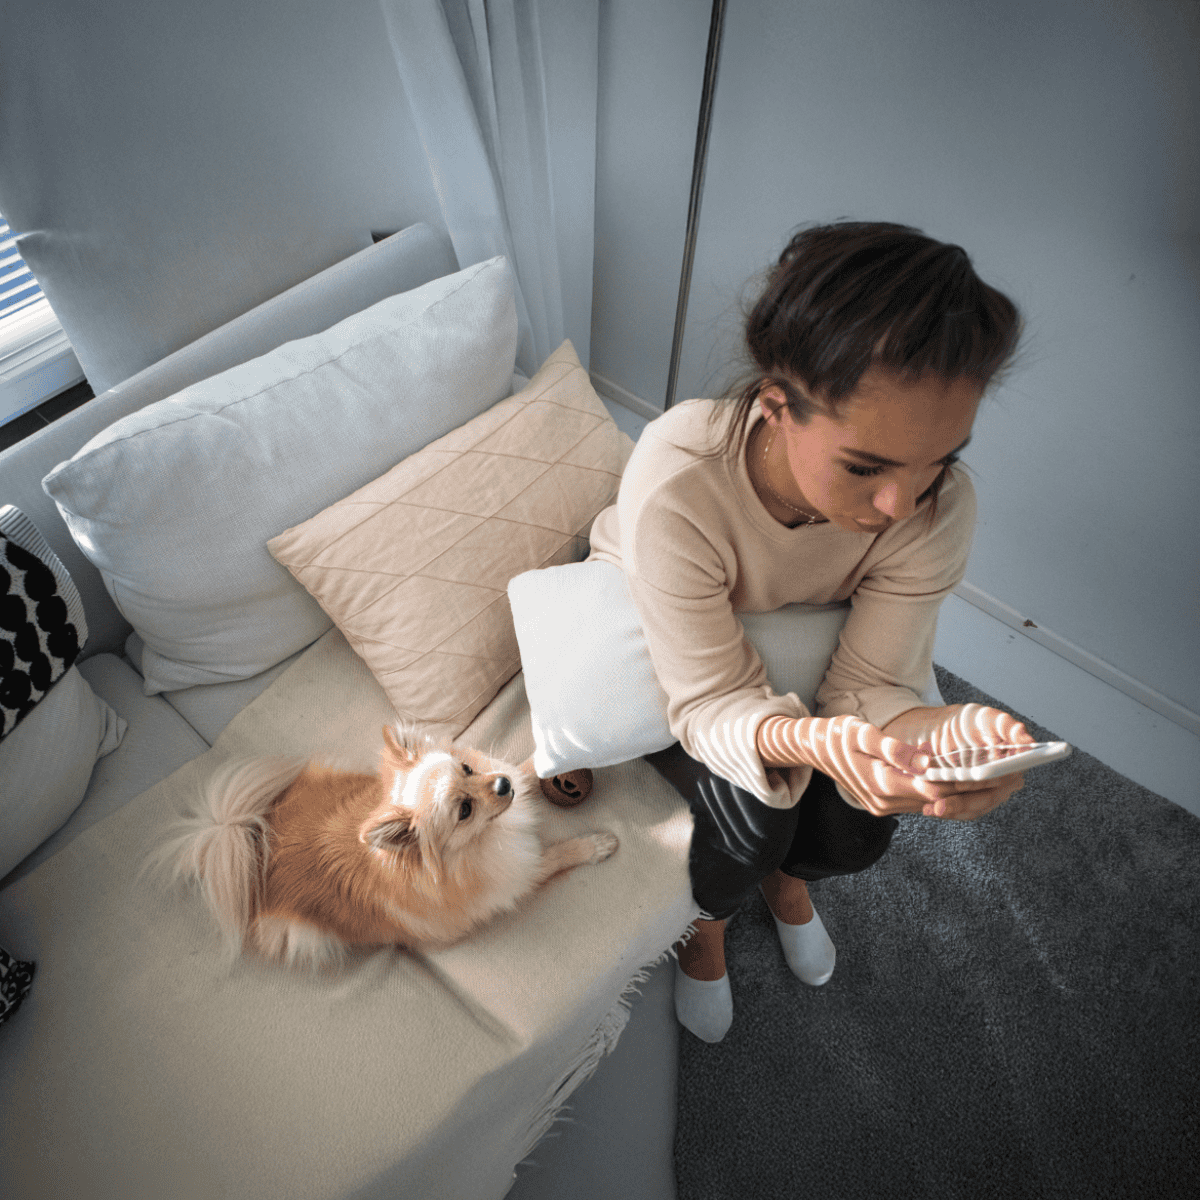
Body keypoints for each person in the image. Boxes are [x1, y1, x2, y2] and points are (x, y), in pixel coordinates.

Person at [586, 220, 1036, 1042]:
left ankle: (792, 880)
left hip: (801, 634)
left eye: (940, 457)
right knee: (748, 815)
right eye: (865, 467)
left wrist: (940, 736)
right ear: (775, 406)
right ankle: (710, 920)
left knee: (862, 825)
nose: (902, 505)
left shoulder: (940, 505)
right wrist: (818, 744)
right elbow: (711, 699)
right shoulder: (678, 481)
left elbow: (874, 684)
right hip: (682, 641)